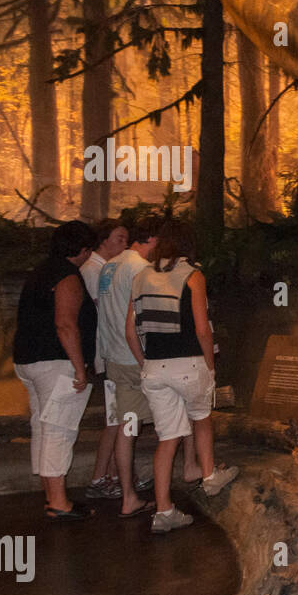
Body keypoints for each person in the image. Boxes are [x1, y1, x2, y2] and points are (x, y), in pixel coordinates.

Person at [127, 219, 238, 533]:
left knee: (167, 439)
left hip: (154, 368)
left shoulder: (141, 276)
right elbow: (203, 329)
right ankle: (210, 476)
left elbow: (130, 332)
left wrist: (145, 362)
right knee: (202, 419)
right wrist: (210, 365)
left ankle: (163, 512)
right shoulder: (193, 276)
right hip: (189, 363)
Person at [97, 211, 202, 517]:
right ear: (154, 239)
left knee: (126, 427)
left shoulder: (109, 265)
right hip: (139, 357)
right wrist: (146, 360)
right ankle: (191, 467)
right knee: (179, 415)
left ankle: (128, 494)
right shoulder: (142, 269)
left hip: (114, 357)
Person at [13, 220, 99, 521]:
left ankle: (51, 495)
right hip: (55, 363)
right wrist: (80, 369)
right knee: (59, 430)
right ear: (84, 249)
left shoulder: (40, 271)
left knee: (43, 425)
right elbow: (65, 324)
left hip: (28, 360)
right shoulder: (66, 276)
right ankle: (60, 503)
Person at [81, 218, 129, 501]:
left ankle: (114, 475)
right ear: (104, 240)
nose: (124, 244)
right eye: (120, 238)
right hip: (108, 353)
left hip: (110, 352)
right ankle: (101, 477)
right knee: (115, 419)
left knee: (117, 417)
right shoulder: (93, 270)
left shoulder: (104, 269)